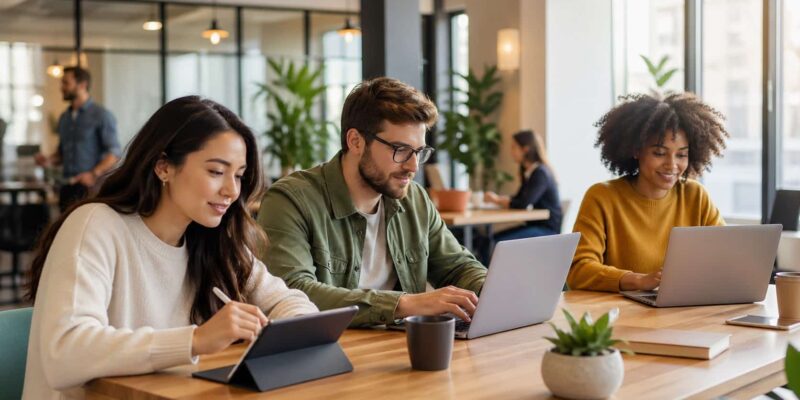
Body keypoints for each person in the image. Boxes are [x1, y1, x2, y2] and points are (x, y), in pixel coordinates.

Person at [22, 96, 318, 400]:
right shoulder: (95, 226)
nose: (231, 191)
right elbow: (65, 353)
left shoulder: (213, 240)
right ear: (163, 166)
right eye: (216, 172)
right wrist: (195, 340)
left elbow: (288, 301)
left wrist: (289, 331)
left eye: (239, 175)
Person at [257, 77, 487, 327]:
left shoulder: (415, 199)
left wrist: (493, 290)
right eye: (400, 149)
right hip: (329, 352)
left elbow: (457, 267)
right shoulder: (291, 200)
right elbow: (292, 293)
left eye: (419, 152)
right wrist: (404, 304)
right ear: (355, 141)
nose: (413, 166)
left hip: (398, 348)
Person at [568, 92, 729, 292]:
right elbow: (578, 270)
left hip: (683, 310)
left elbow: (726, 256)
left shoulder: (695, 196)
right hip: (621, 315)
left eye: (681, 155)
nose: (672, 165)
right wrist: (636, 281)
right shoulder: (602, 197)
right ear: (636, 150)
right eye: (659, 153)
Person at [34, 66, 121, 211]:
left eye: (66, 83)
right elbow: (61, 154)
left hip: (91, 189)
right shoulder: (64, 118)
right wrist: (47, 160)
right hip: (67, 187)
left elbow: (115, 153)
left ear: (82, 85)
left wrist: (93, 174)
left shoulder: (102, 115)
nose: (61, 87)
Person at [483, 129, 562, 241]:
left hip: (547, 230)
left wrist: (496, 200)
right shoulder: (529, 172)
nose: (511, 152)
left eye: (514, 147)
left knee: (494, 241)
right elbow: (518, 198)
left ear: (525, 149)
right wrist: (499, 199)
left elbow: (523, 203)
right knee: (488, 240)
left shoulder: (540, 173)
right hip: (535, 226)